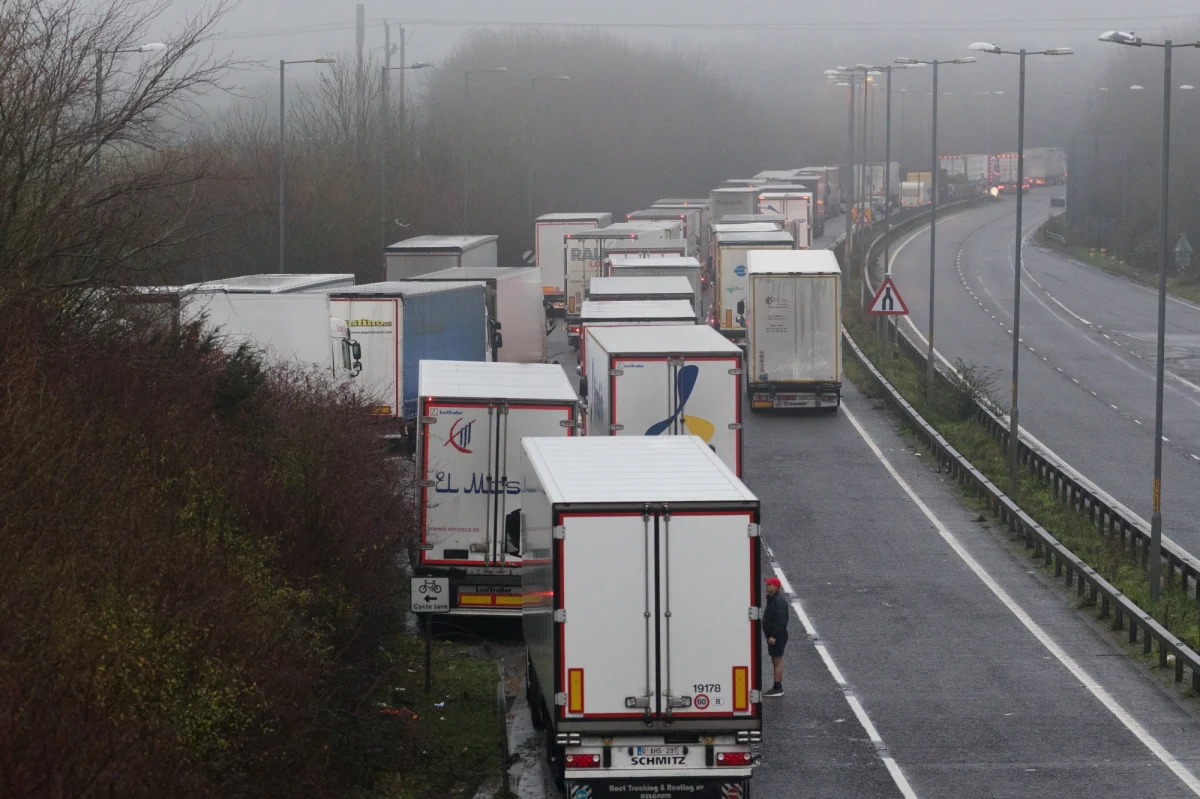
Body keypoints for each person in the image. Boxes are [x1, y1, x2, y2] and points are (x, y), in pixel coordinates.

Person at [762, 576, 788, 697]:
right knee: (774, 660)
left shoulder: (778, 602)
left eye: (769, 584)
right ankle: (777, 685)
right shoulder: (773, 599)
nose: (766, 586)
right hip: (774, 636)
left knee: (777, 660)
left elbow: (782, 621)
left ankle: (777, 687)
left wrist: (773, 636)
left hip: (777, 636)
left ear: (776, 587)